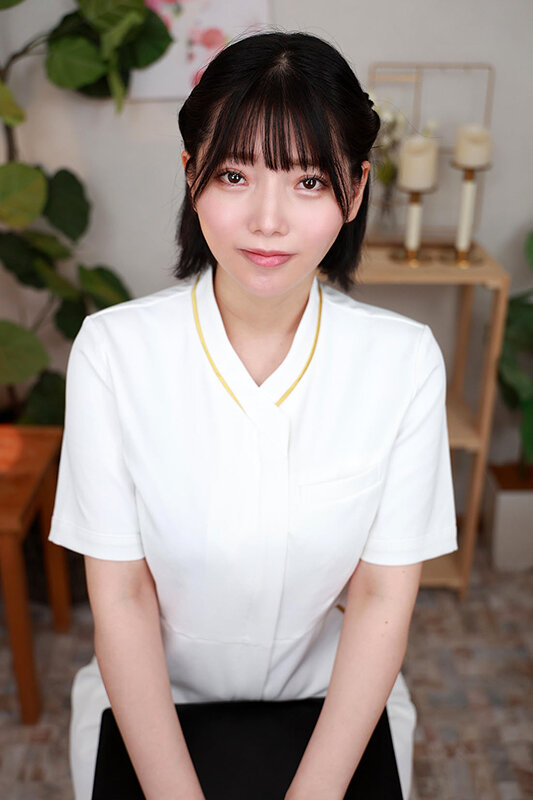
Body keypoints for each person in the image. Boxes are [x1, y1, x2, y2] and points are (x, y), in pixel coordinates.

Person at [48, 28, 458, 800]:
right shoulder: (114, 352)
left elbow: (380, 597)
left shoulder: (401, 363)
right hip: (154, 702)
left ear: (355, 190)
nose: (268, 220)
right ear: (190, 174)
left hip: (327, 699)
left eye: (308, 181)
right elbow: (123, 598)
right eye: (235, 174)